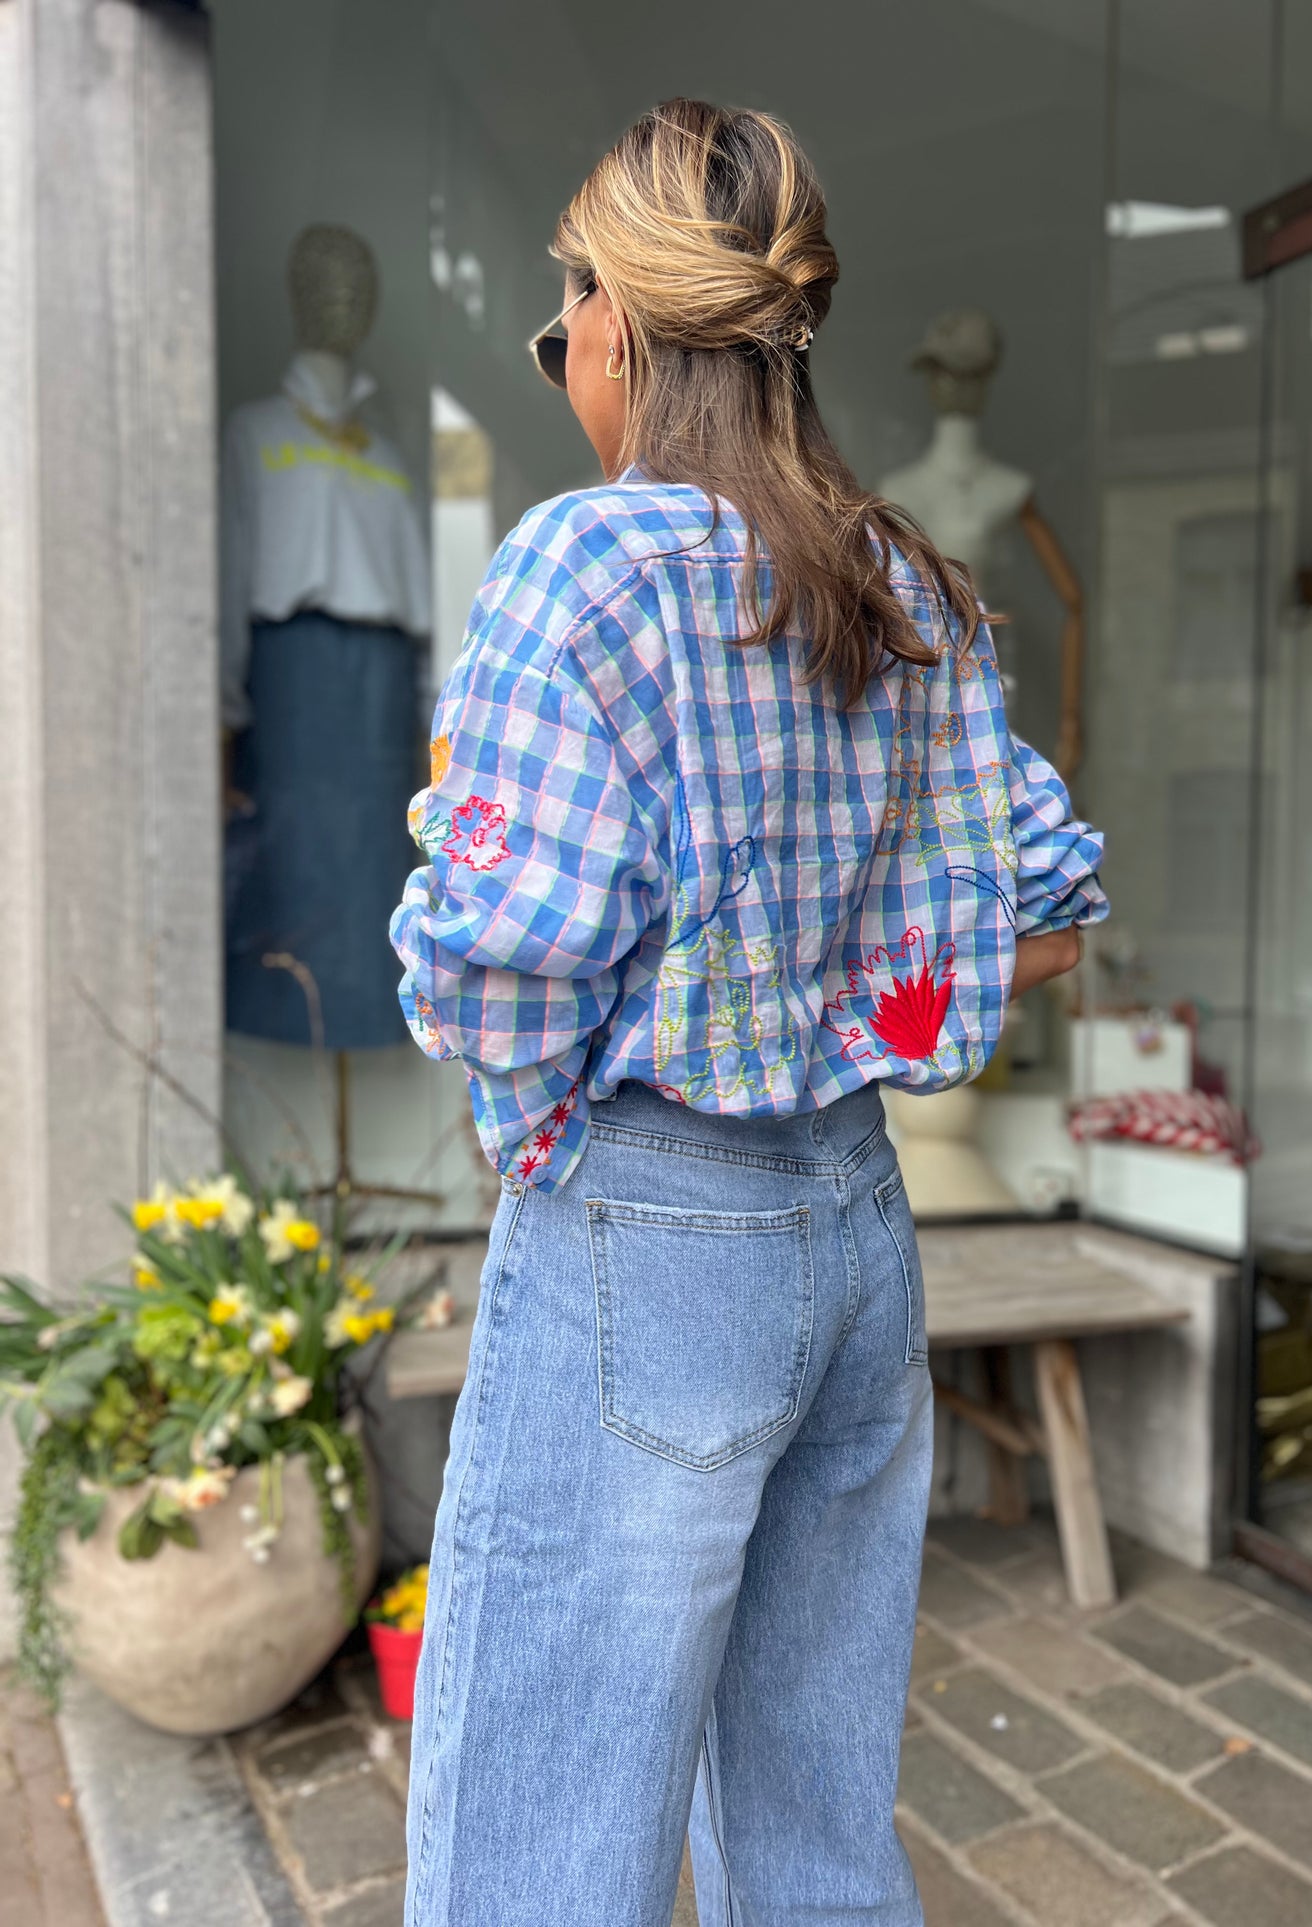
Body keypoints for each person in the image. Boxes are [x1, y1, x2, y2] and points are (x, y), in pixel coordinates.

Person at [391, 98, 1105, 1927]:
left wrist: (558, 1115)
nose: (561, 369)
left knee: (542, 1837)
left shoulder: (588, 565)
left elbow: (486, 969)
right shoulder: (909, 593)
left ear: (615, 320)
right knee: (808, 1827)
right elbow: (1046, 914)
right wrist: (840, 1000)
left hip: (650, 1226)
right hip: (860, 1235)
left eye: (561, 332)